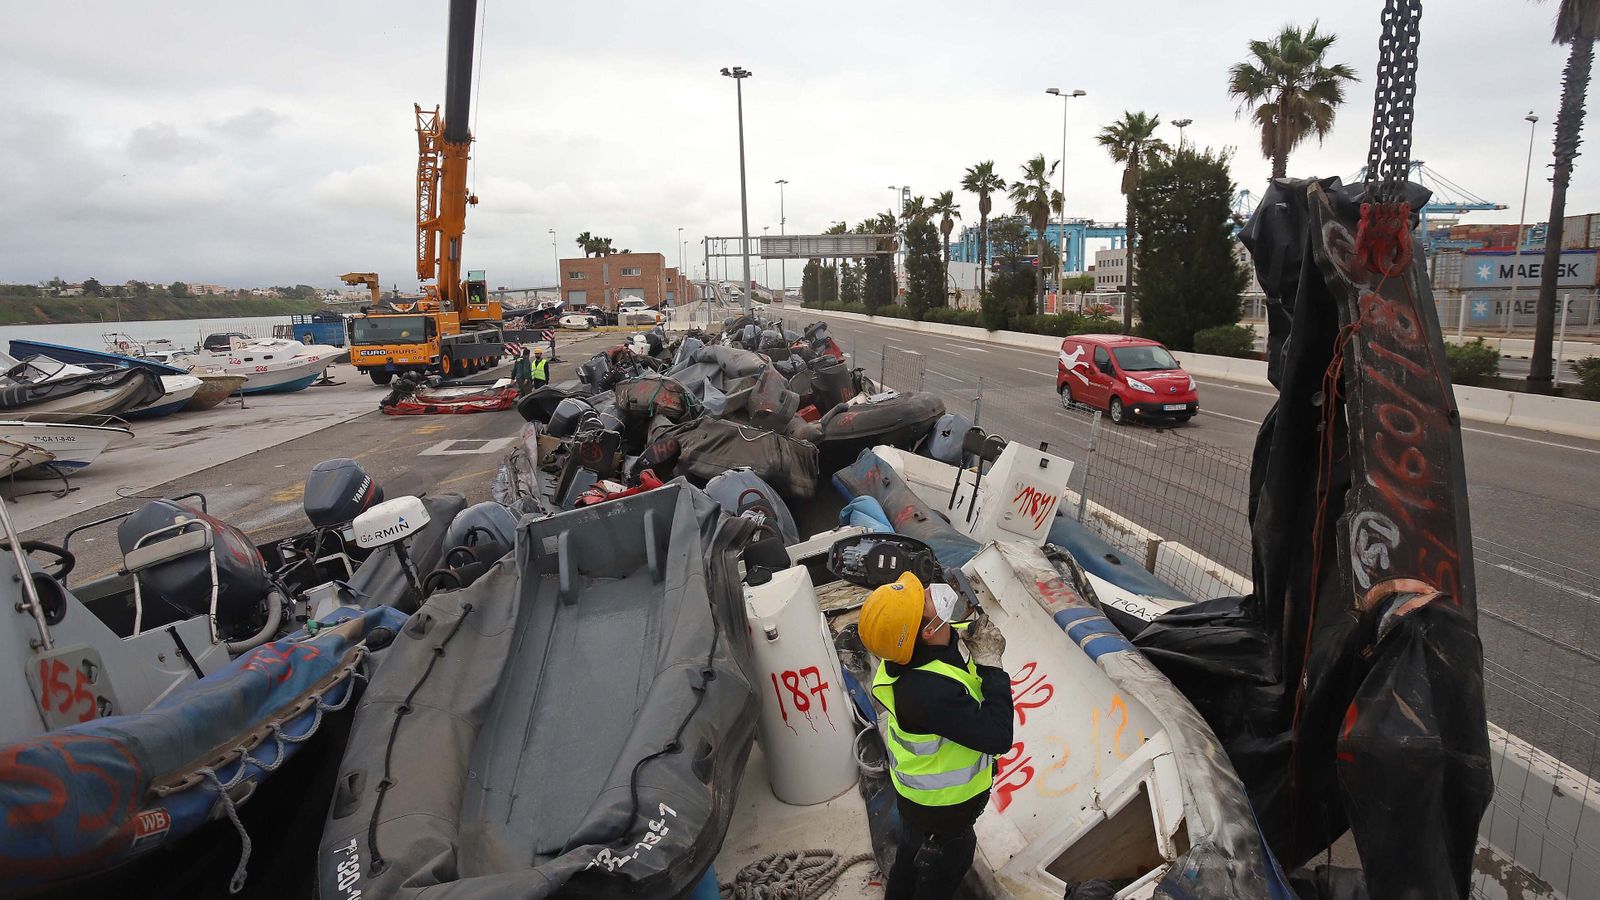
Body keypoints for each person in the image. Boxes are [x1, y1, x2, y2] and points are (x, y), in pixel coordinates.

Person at [859, 572, 1012, 900]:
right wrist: (991, 666)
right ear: (928, 630)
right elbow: (999, 735)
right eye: (925, 599)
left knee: (908, 859)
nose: (932, 591)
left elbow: (941, 648)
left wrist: (965, 633)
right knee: (940, 877)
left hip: (916, 807)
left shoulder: (905, 654)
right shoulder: (928, 694)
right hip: (945, 819)